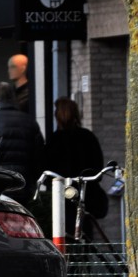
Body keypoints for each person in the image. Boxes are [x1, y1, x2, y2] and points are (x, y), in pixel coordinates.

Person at [43, 97, 108, 234]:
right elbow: (98, 168)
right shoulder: (88, 137)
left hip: (62, 196)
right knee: (85, 232)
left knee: (62, 232)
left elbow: (45, 169)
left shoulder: (53, 141)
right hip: (86, 196)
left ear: (57, 117)